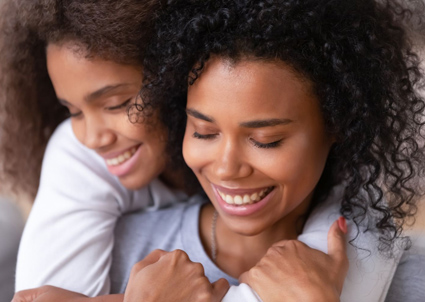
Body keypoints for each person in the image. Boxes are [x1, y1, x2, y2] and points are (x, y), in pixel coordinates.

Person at [1, 0, 347, 300]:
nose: (92, 137)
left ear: (173, 77)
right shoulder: (80, 158)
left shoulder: (354, 226)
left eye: (118, 103)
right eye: (72, 111)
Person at [106, 0, 425, 301]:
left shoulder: (405, 280)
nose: (226, 168)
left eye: (265, 140)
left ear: (337, 125)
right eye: (204, 132)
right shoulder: (119, 253)